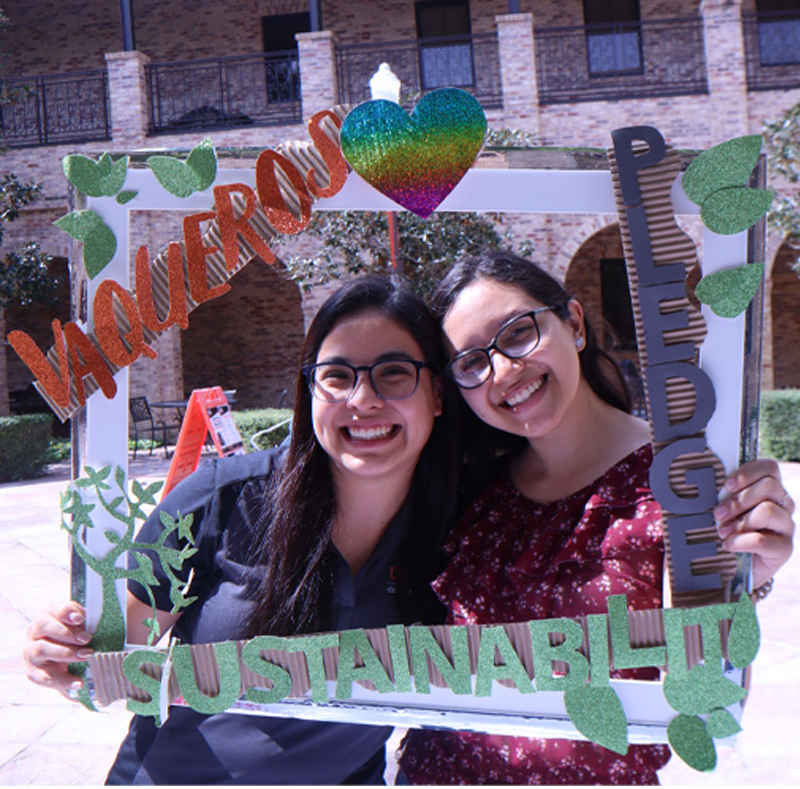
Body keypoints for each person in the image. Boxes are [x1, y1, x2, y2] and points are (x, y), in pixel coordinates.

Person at [22, 275, 460, 785]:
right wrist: (66, 649)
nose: (363, 399)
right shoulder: (220, 500)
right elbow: (119, 645)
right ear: (308, 390)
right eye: (337, 376)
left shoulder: (461, 523)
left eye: (394, 373)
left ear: (437, 395)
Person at [398, 252, 795, 785]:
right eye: (471, 362)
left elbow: (710, 701)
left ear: (575, 325)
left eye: (517, 333)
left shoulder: (678, 484)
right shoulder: (474, 495)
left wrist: (746, 580)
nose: (504, 369)